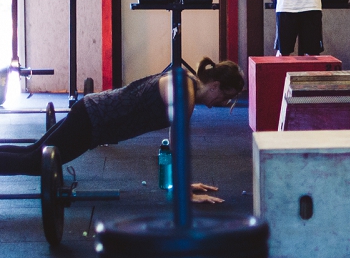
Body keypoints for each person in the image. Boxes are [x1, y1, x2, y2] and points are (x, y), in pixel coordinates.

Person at [0, 58, 245, 203]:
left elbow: (173, 143)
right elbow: (179, 146)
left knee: (33, 153)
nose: (224, 104)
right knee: (35, 163)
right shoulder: (185, 94)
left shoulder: (184, 80)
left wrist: (182, 184)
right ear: (215, 86)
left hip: (91, 113)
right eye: (227, 96)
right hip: (92, 121)